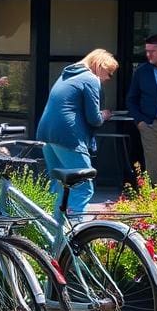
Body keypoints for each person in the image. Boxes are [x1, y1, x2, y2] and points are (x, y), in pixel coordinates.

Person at [37, 49, 116, 219]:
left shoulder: (67, 74)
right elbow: (94, 119)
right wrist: (105, 114)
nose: (109, 78)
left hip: (47, 135)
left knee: (60, 186)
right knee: (83, 186)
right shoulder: (91, 79)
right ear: (100, 65)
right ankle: (74, 235)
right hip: (68, 137)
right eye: (109, 72)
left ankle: (53, 234)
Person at [127, 33, 157, 184]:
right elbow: (131, 99)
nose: (148, 54)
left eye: (152, 51)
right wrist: (140, 122)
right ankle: (154, 203)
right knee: (153, 168)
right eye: (146, 51)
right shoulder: (142, 71)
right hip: (150, 125)